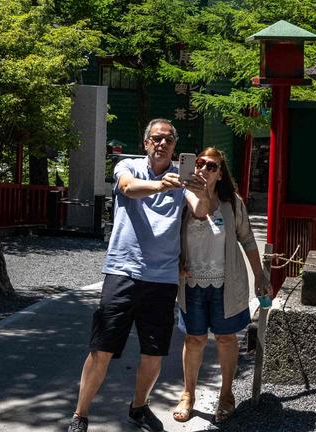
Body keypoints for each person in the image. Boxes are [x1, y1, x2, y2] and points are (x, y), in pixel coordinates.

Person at [68, 119, 207, 432]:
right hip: (123, 271)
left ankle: (139, 406)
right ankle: (80, 414)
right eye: (156, 139)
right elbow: (128, 189)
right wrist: (161, 185)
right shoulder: (127, 166)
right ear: (146, 143)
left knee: (153, 352)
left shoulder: (183, 179)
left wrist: (203, 186)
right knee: (101, 348)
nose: (162, 144)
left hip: (162, 278)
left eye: (168, 140)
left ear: (174, 147)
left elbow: (200, 211)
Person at [173, 147, 270, 424]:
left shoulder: (232, 202)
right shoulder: (184, 197)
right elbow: (168, 234)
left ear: (220, 173)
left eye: (211, 166)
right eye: (200, 164)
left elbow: (248, 239)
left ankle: (226, 395)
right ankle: (188, 394)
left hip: (225, 283)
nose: (204, 169)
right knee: (194, 339)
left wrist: (260, 276)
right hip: (192, 281)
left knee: (227, 339)